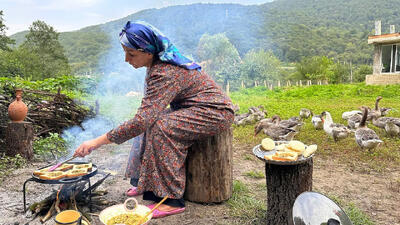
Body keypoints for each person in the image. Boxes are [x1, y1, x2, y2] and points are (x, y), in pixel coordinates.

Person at [73, 21, 234, 218]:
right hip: (190, 109)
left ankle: (171, 199)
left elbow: (142, 121)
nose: (126, 59)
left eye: (131, 54)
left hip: (214, 112)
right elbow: (145, 117)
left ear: (148, 51)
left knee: (160, 126)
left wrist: (97, 142)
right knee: (149, 122)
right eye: (125, 52)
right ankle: (144, 183)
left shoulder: (165, 71)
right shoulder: (155, 64)